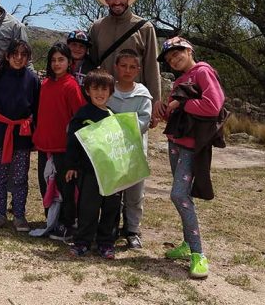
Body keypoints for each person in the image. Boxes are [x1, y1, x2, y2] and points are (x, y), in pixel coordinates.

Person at [155, 37, 225, 279]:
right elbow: (180, 114)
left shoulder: (202, 72)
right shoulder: (180, 80)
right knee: (182, 195)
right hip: (176, 142)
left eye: (177, 53)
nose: (173, 59)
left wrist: (181, 104)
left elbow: (213, 106)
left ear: (189, 50)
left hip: (191, 147)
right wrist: (167, 111)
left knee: (179, 194)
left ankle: (198, 253)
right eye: (169, 58)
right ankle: (187, 244)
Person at [65, 69, 121, 259]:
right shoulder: (83, 114)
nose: (100, 93)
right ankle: (82, 243)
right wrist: (72, 165)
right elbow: (72, 141)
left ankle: (106, 243)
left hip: (112, 174)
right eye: (95, 88)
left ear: (111, 92)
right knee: (88, 208)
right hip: (90, 171)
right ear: (87, 91)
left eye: (104, 89)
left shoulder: (115, 116)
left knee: (111, 208)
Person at [0, 39, 40, 232]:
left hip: (23, 135)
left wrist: (35, 137)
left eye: (23, 55)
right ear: (7, 56)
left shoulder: (33, 79)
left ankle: (19, 216)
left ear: (27, 58)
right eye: (14, 54)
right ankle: (0, 214)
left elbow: (37, 109)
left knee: (19, 178)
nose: (18, 58)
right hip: (0, 133)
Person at [32, 43, 85, 241]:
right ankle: (52, 221)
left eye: (61, 59)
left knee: (66, 190)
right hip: (44, 146)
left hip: (64, 148)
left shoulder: (71, 86)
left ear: (69, 62)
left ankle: (68, 224)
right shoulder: (45, 84)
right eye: (53, 60)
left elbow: (79, 117)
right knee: (46, 186)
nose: (56, 64)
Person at [87, 0, 161, 118]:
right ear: (106, 0)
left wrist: (155, 101)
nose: (117, 1)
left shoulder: (145, 27)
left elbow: (152, 66)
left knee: (134, 139)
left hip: (134, 100)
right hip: (104, 99)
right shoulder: (96, 27)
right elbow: (91, 64)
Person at [106, 49, 153, 249]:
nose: (127, 70)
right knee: (114, 192)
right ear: (116, 67)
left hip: (135, 153)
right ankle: (111, 227)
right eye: (123, 66)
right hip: (112, 152)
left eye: (132, 67)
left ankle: (132, 230)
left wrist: (120, 126)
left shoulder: (143, 95)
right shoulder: (107, 91)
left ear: (138, 70)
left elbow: (144, 121)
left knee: (135, 193)